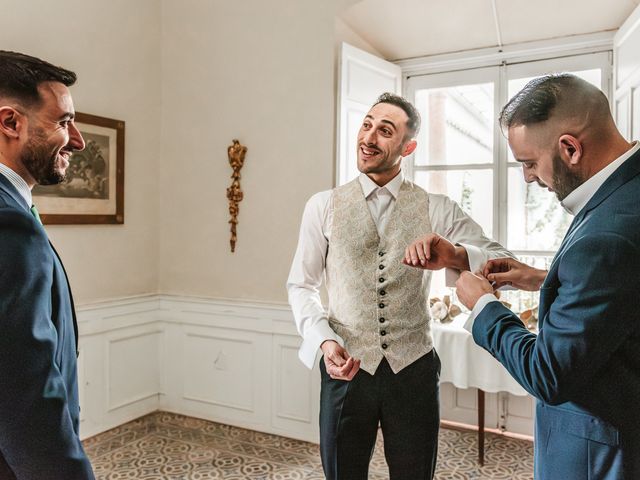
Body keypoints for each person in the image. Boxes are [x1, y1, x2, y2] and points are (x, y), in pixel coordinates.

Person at [287, 92, 511, 479]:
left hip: (413, 371)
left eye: (385, 130)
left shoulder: (436, 207)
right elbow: (301, 285)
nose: (369, 137)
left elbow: (499, 259)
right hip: (346, 369)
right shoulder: (323, 206)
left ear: (408, 147)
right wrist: (325, 340)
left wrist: (454, 254)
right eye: (367, 124)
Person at [454, 74, 640, 479]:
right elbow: (623, 288)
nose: (527, 177)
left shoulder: (607, 234)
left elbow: (548, 373)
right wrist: (541, 278)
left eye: (528, 163)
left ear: (570, 148)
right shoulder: (628, 191)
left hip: (599, 455)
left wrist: (483, 306)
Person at [0, 51, 94, 479]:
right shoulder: (10, 223)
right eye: (63, 122)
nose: (78, 141)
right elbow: (24, 392)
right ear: (10, 122)